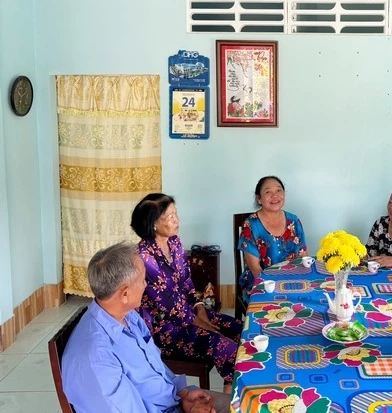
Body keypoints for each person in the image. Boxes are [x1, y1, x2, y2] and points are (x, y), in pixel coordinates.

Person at [62, 242, 231, 413]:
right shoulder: (96, 358)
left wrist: (183, 395)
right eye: (143, 279)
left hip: (174, 403)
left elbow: (153, 366)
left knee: (248, 404)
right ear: (125, 294)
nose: (145, 285)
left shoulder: (127, 316)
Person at [131, 193, 242, 394]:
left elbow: (187, 281)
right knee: (227, 347)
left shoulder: (174, 242)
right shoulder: (144, 257)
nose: (177, 220)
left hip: (189, 313)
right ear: (153, 223)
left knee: (241, 329)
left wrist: (200, 308)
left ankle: (232, 388)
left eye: (176, 213)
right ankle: (231, 399)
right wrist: (201, 322)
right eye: (170, 216)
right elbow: (169, 305)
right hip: (165, 329)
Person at [238, 175, 307, 301]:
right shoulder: (251, 225)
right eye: (268, 192)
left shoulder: (294, 220)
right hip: (262, 283)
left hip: (292, 280)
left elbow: (303, 257)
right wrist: (279, 289)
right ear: (259, 199)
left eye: (279, 190)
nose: (275, 196)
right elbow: (256, 270)